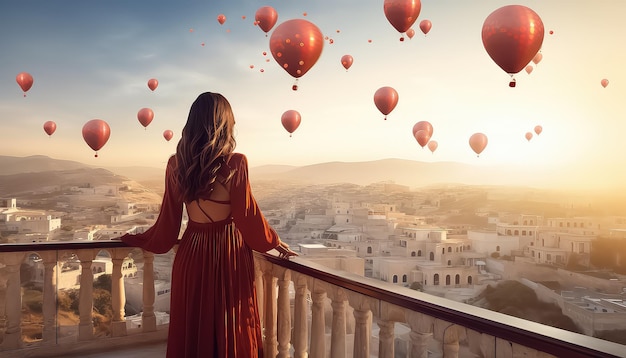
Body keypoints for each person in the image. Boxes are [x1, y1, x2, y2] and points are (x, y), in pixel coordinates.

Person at [118, 92, 297, 357]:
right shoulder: (236, 163)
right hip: (228, 256)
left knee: (193, 324)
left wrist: (136, 238)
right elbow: (248, 217)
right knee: (231, 324)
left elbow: (167, 225)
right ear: (225, 123)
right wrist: (272, 240)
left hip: (192, 254)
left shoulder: (175, 164)